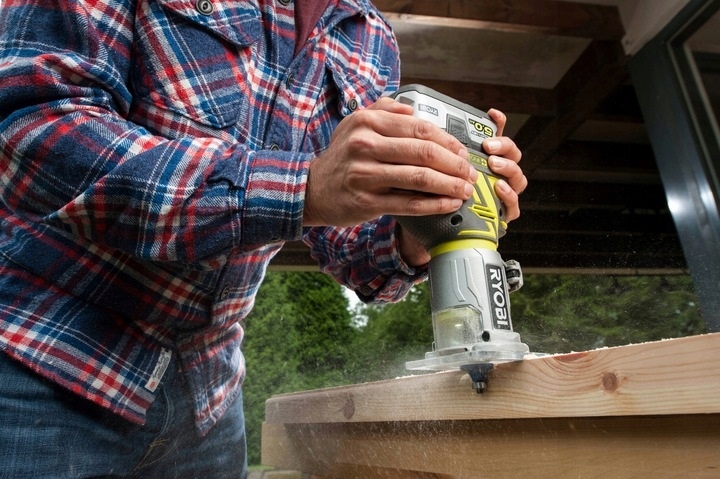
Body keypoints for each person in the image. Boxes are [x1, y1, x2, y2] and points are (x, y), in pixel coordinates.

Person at [0, 0, 526, 477]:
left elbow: (347, 237)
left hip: (209, 399)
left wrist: (422, 225)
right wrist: (304, 187)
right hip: (44, 368)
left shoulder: (369, 34)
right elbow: (33, 132)